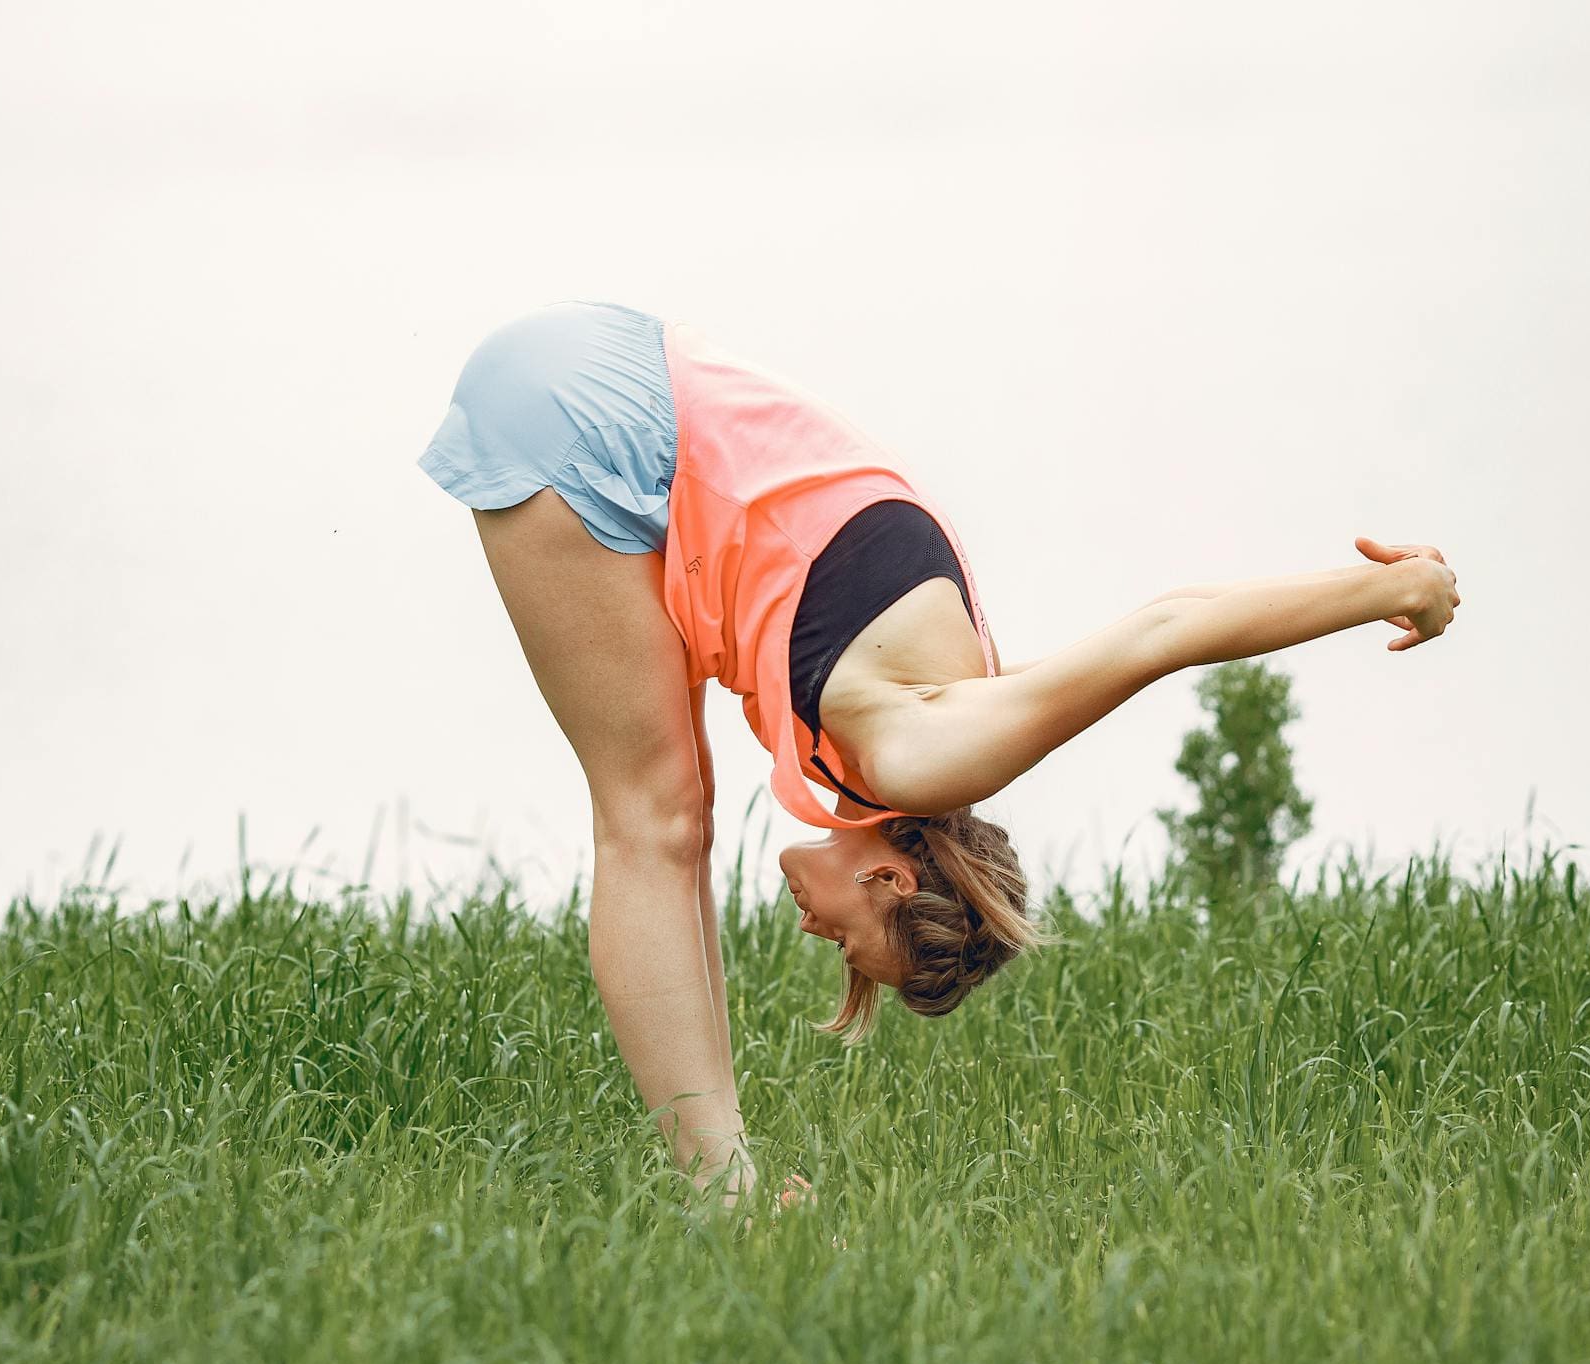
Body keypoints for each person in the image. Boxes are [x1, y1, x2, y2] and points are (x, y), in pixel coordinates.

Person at [417, 300, 1458, 1203]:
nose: (813, 933)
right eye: (844, 942)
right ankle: (720, 1193)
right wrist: (1389, 589)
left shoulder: (949, 698)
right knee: (656, 818)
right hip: (596, 420)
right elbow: (1161, 631)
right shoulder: (922, 755)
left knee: (676, 806)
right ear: (886, 875)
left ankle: (720, 1174)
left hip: (618, 365)